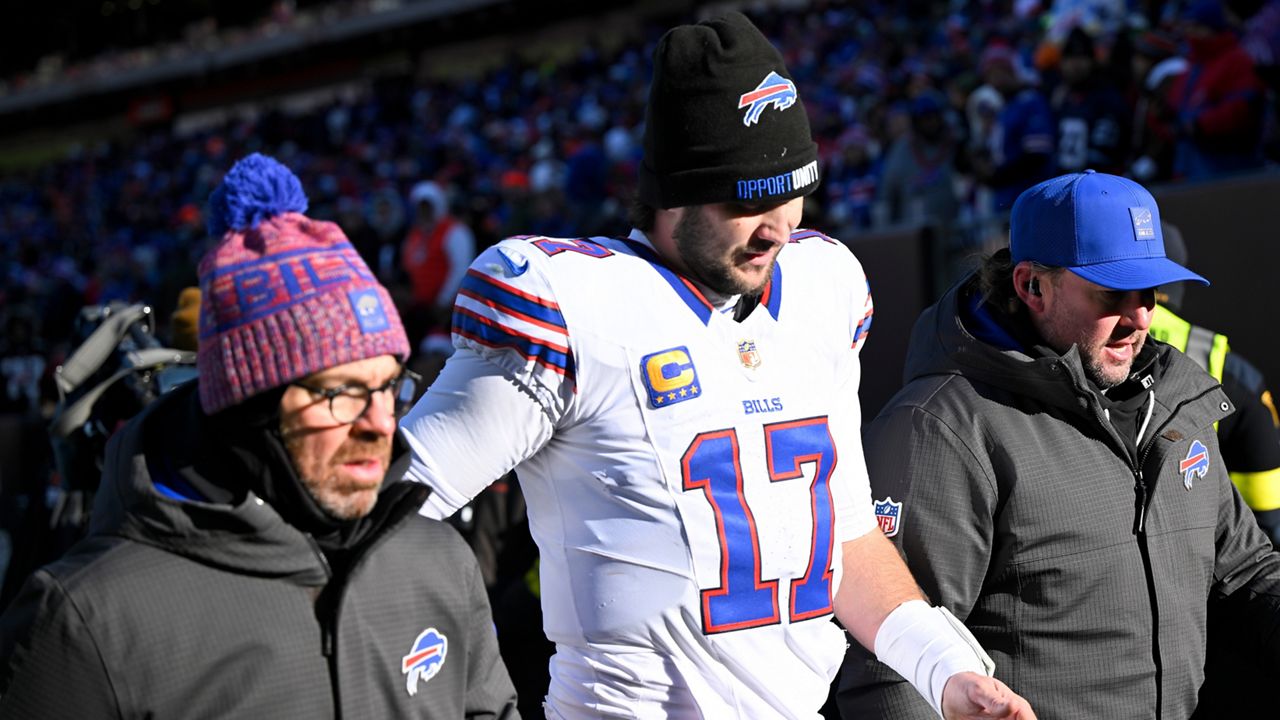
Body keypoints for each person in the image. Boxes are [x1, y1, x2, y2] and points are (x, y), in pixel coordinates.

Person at [401, 12, 1034, 720]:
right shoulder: (571, 304)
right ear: (674, 190)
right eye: (746, 198)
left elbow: (845, 535)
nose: (778, 226)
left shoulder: (822, 287)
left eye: (792, 190)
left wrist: (945, 670)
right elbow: (390, 513)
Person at [0, 153, 519, 719]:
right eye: (340, 392)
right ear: (248, 406)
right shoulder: (84, 622)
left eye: (388, 386)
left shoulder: (438, 559)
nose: (379, 424)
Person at [837, 169, 1280, 720]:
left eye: (1151, 292)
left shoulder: (1172, 400)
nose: (1142, 317)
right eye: (1114, 292)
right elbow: (887, 668)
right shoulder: (941, 426)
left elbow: (1244, 570)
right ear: (1031, 286)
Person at [401, 179, 476, 351]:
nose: (424, 212)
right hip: (418, 309)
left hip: (444, 310)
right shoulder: (415, 234)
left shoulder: (454, 231)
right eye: (420, 207)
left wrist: (443, 300)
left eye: (427, 206)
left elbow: (460, 269)